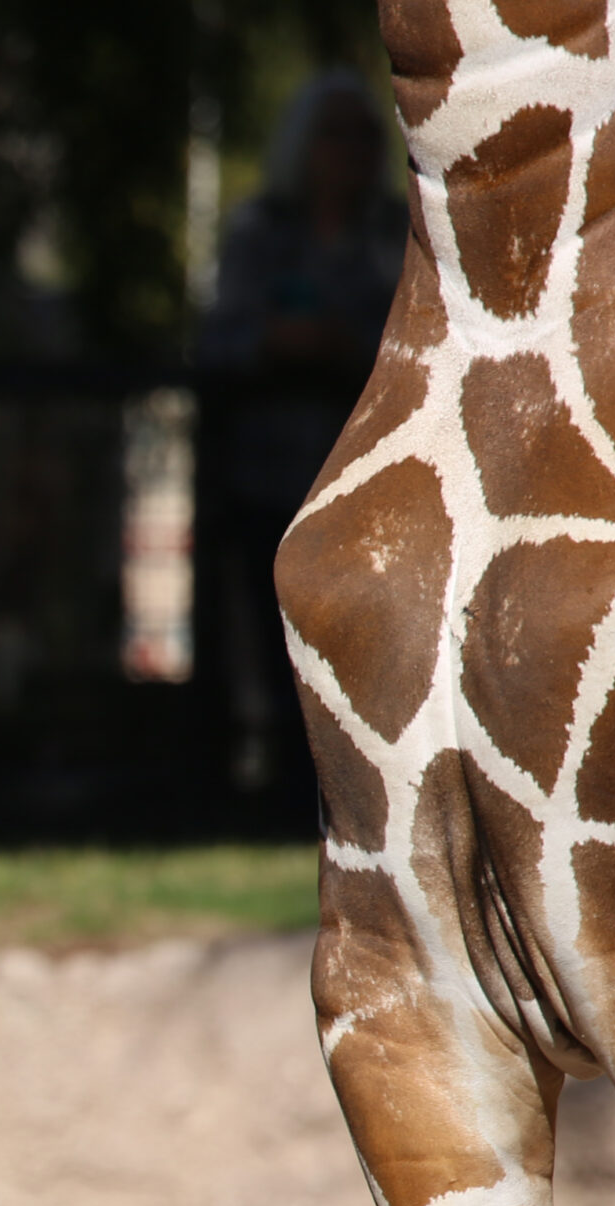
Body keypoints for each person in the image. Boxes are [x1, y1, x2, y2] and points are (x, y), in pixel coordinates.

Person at [199, 68, 408, 797]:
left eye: (363, 135)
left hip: (368, 486)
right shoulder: (261, 231)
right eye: (334, 134)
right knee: (270, 643)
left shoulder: (398, 235)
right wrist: (275, 343)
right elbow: (217, 340)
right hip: (268, 480)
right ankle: (273, 790)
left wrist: (343, 344)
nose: (349, 150)